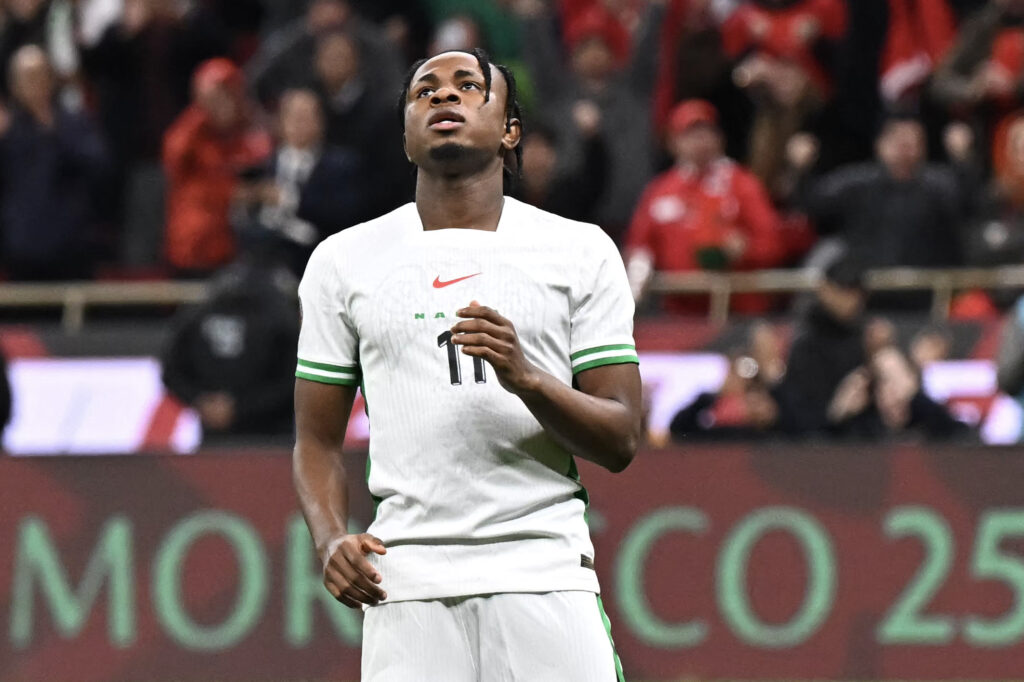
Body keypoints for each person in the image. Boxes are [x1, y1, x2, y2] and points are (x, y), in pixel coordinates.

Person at [293, 49, 641, 681]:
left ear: (510, 130)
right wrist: (329, 538)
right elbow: (315, 440)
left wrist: (528, 379)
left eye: (468, 86)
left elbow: (621, 437)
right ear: (405, 136)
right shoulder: (342, 262)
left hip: (543, 572)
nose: (443, 96)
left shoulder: (580, 251)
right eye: (423, 90)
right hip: (405, 582)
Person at [625, 99, 786, 315]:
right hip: (678, 313)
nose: (700, 141)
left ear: (719, 138)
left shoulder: (742, 184)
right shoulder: (660, 190)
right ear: (673, 142)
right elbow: (639, 245)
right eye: (690, 134)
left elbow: (773, 244)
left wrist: (745, 249)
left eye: (706, 132)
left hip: (736, 310)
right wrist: (638, 275)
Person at [162, 250, 299, 440]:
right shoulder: (281, 315)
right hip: (266, 439)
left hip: (258, 436)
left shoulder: (198, 312)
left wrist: (204, 401)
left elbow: (171, 371)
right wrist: (229, 406)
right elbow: (297, 378)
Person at [0, 45, 108, 280]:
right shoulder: (8, 130)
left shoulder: (74, 123)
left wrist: (51, 129)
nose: (34, 83)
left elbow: (98, 166)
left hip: (71, 249)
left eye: (39, 74)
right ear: (14, 85)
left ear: (51, 79)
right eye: (27, 76)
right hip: (22, 252)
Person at [232, 88, 365, 276]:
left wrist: (289, 199)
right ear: (280, 123)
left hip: (316, 259)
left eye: (306, 117)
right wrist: (249, 200)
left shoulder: (341, 166)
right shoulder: (265, 165)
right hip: (268, 257)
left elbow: (345, 213)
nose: (299, 124)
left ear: (321, 122)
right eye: (293, 117)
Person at [162, 58, 272, 275]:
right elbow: (172, 154)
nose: (221, 104)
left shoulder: (242, 133)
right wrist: (200, 113)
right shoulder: (193, 135)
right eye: (213, 98)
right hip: (192, 247)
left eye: (227, 95)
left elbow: (259, 159)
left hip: (230, 247)